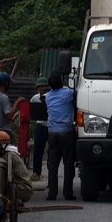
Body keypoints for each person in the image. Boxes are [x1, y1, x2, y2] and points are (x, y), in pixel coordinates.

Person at [43, 71, 76, 201]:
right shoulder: (68, 94)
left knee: (52, 164)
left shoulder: (48, 97)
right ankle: (68, 193)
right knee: (68, 163)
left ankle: (52, 193)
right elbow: (80, 91)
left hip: (52, 132)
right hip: (66, 132)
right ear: (62, 82)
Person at [0, 130, 34, 203]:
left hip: (24, 190)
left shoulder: (9, 157)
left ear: (1, 146)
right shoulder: (8, 154)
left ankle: (15, 200)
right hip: (23, 187)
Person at [0, 72, 26, 143]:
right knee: (7, 154)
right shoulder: (4, 98)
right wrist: (16, 103)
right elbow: (9, 116)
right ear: (6, 84)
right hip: (4, 134)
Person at [28, 77, 50, 180]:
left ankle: (52, 171)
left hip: (51, 126)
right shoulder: (34, 98)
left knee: (52, 151)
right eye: (39, 87)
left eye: (43, 87)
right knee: (38, 149)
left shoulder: (52, 97)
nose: (41, 89)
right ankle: (36, 172)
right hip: (41, 125)